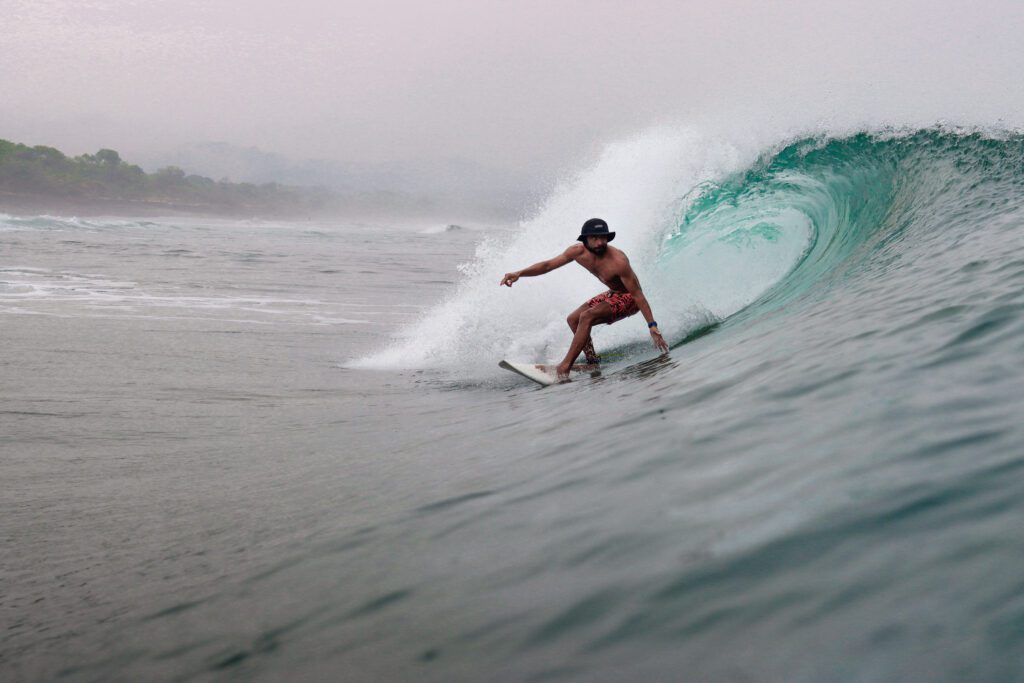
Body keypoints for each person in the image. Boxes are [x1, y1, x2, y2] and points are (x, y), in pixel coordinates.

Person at [500, 218, 669, 379]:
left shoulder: (619, 261)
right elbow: (547, 265)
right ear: (585, 239)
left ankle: (564, 367)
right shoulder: (577, 252)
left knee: (587, 316)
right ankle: (593, 363)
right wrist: (519, 273)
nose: (600, 243)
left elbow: (638, 295)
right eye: (594, 238)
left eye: (603, 238)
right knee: (573, 319)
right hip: (613, 293)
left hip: (629, 298)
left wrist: (652, 326)